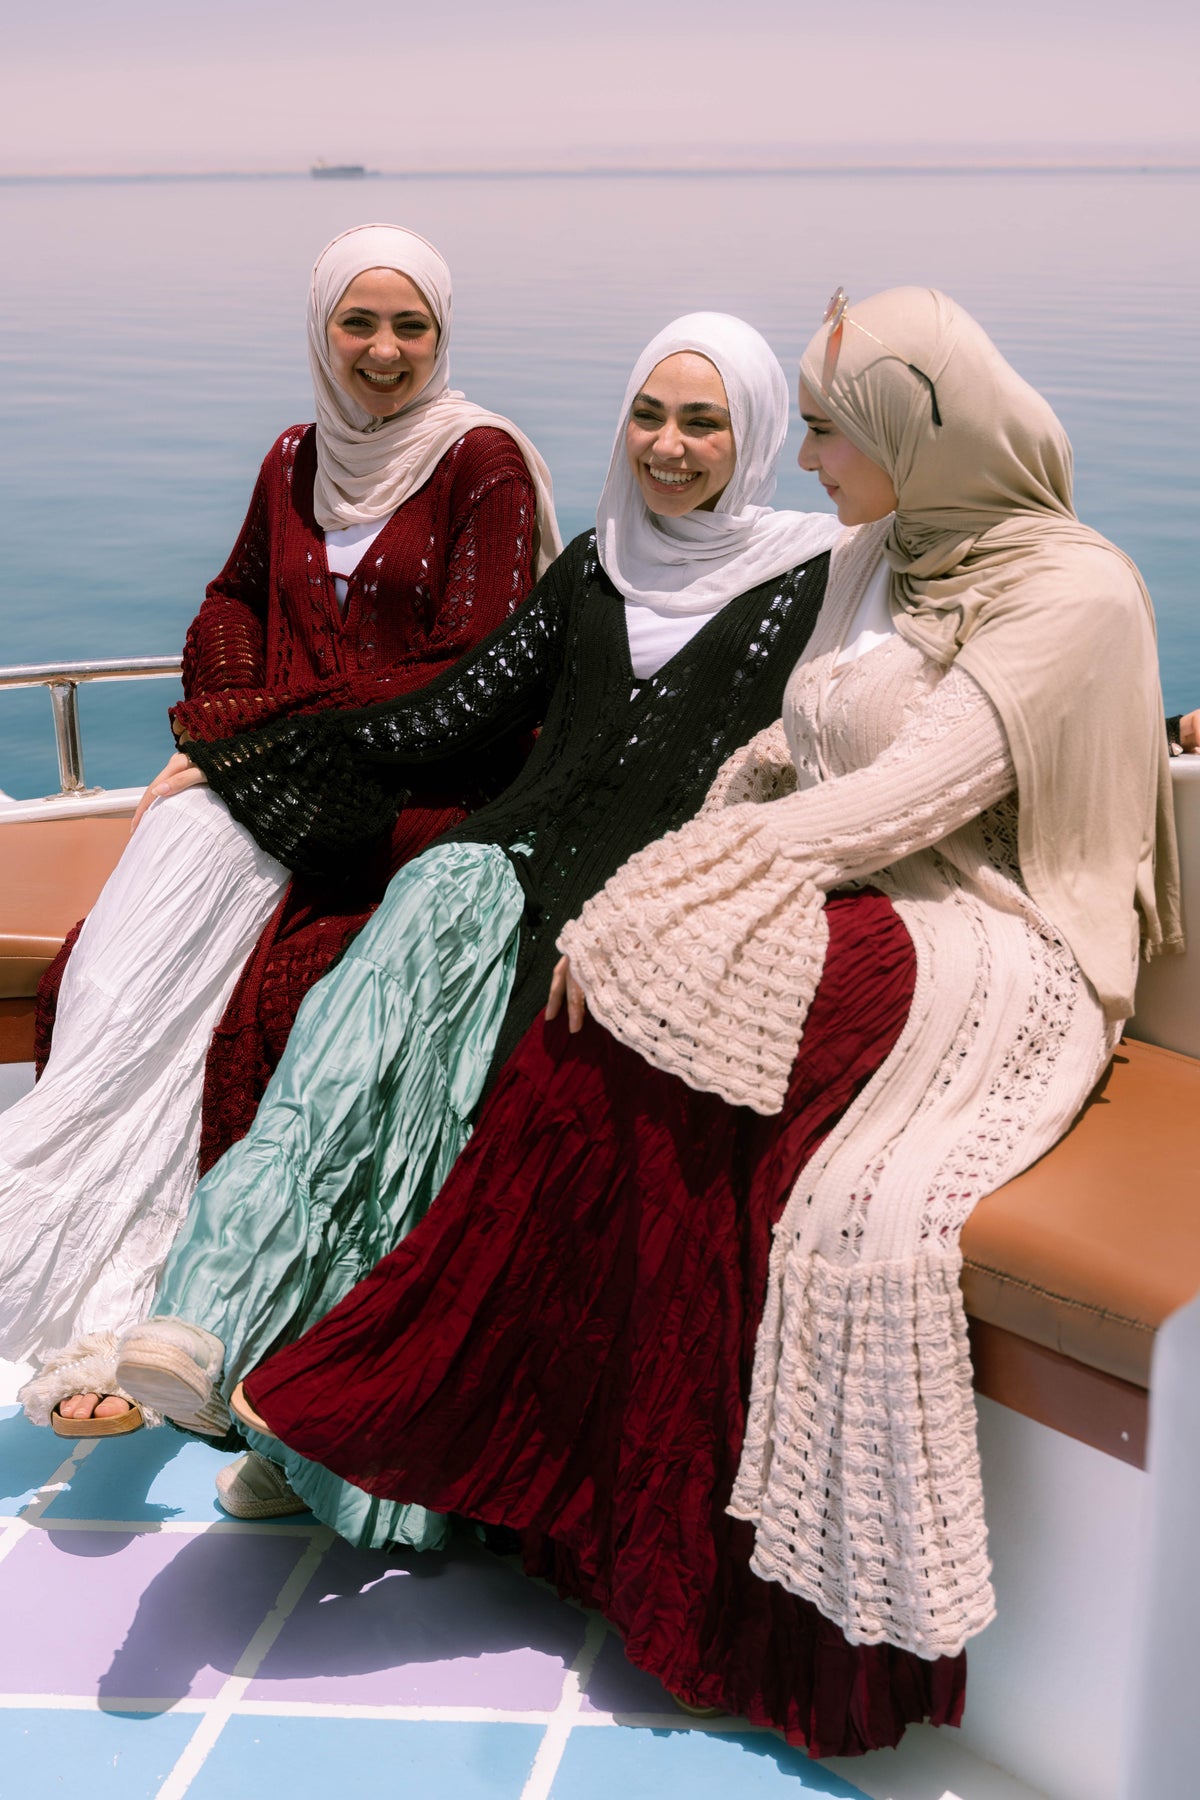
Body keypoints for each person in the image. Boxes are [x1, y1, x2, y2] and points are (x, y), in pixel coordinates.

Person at [209, 287, 1180, 1757]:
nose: (811, 459)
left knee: (688, 1077)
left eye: (832, 431)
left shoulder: (1071, 591)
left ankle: (480, 1452)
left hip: (997, 945)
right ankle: (532, 1485)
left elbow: (904, 797)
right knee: (604, 1054)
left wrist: (656, 900)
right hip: (852, 907)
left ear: (915, 431)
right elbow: (785, 753)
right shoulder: (881, 556)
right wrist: (670, 884)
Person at [113, 312, 843, 1536]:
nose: (667, 447)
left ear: (755, 434)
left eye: (702, 423)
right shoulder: (597, 563)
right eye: (648, 415)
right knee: (337, 1077)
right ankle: (202, 1325)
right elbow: (451, 713)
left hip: (639, 917)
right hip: (495, 871)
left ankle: (326, 1441)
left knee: (441, 1141)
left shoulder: (815, 579)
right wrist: (245, 750)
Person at [4, 222, 559, 1435]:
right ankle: (70, 1286)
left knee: (267, 989)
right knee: (112, 971)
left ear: (443, 334)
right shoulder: (296, 457)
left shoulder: (484, 465)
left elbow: (466, 668)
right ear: (321, 328)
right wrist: (228, 720)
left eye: (410, 325)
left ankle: (167, 1308)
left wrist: (243, 732)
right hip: (270, 777)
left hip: (406, 793)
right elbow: (233, 598)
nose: (383, 349)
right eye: (358, 322)